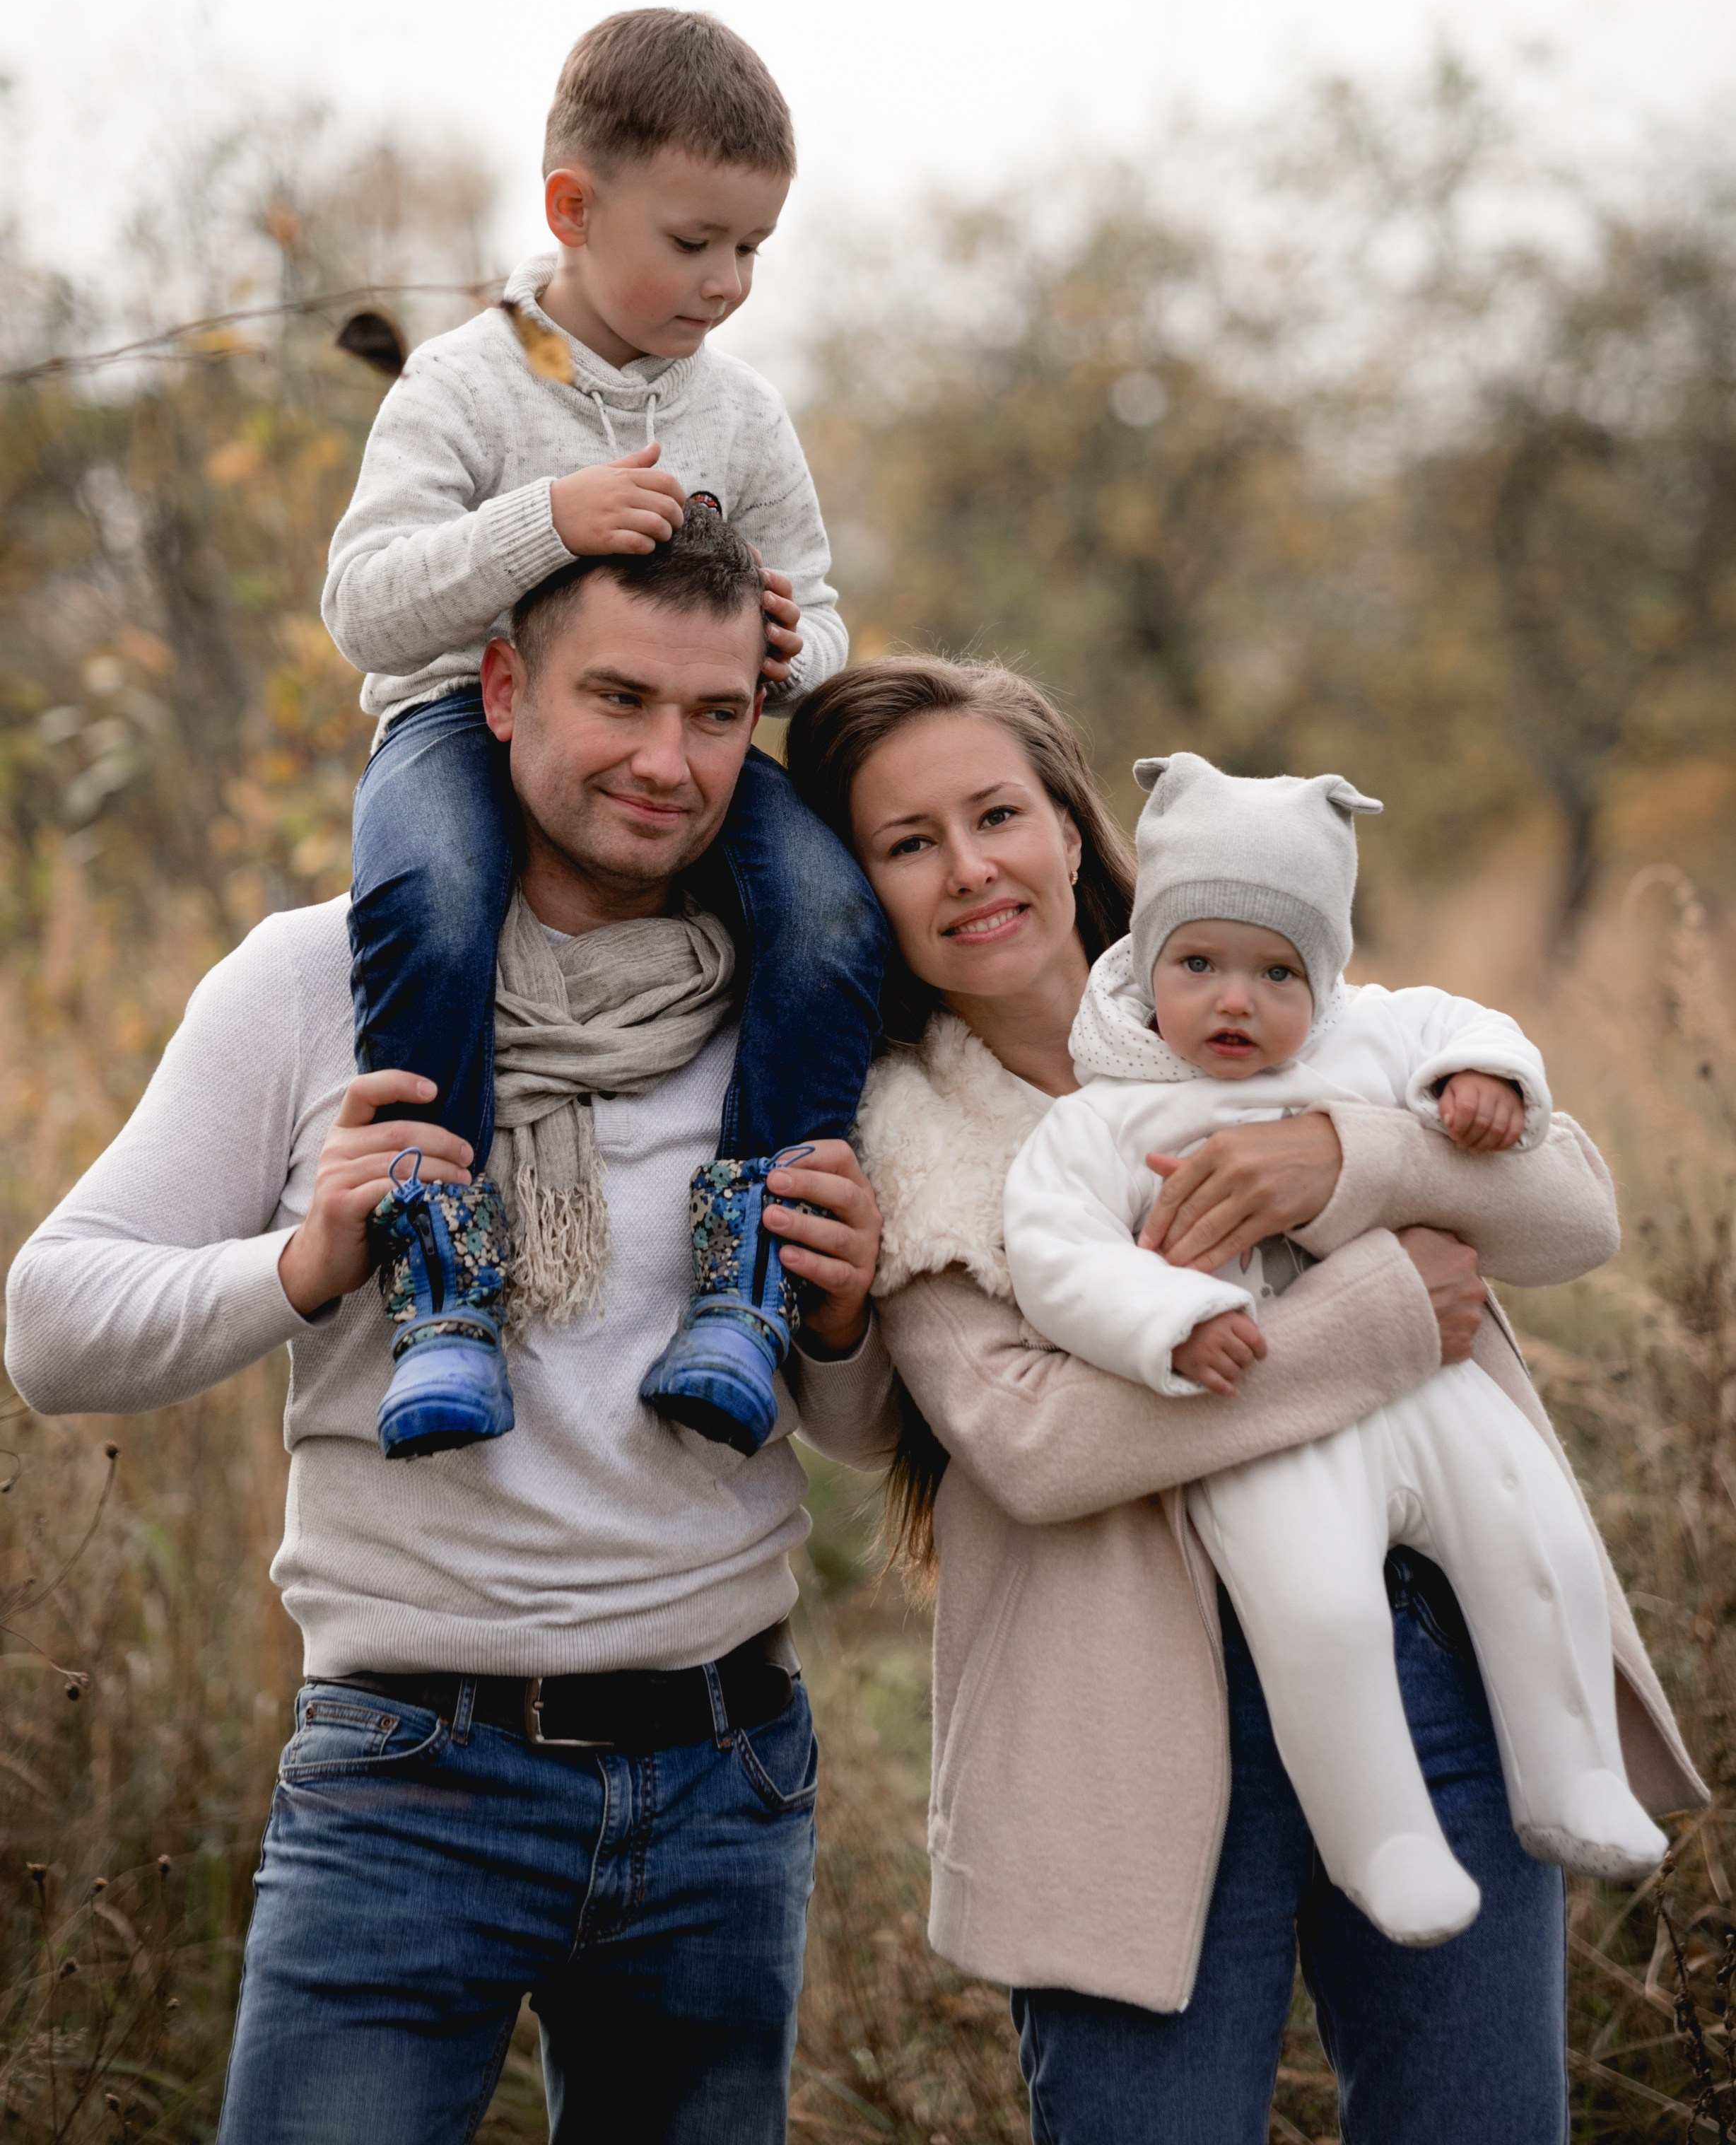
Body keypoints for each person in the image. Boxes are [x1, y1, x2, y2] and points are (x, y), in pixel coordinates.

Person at [6, 515, 898, 2145]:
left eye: (716, 715)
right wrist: (304, 1259)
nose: (669, 760)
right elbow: (52, 1325)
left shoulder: (801, 996)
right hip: (407, 1777)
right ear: (499, 688)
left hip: (724, 1775)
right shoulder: (313, 981)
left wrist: (835, 1324)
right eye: (617, 698)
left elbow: (851, 1436)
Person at [784, 655, 1706, 2145]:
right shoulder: (904, 1134)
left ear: (1071, 828)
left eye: (997, 813)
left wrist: (1349, 1160)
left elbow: (1572, 1212)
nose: (969, 870)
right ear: (858, 888)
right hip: (1114, 1728)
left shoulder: (1283, 996)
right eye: (906, 843)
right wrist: (1383, 1310)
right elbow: (1037, 1444)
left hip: (1432, 1669)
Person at [322, 6, 884, 1458]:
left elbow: (820, 615)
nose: (728, 281)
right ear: (573, 207)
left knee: (829, 911)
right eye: (695, 241)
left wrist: (781, 651)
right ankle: (442, 1279)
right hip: (457, 720)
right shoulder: (465, 384)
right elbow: (365, 609)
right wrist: (541, 526)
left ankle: (746, 1283)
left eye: (753, 248)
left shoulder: (742, 418)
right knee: (431, 897)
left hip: (679, 748)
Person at [1002, 749, 1667, 1953]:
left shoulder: (1371, 1042)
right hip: (1268, 1409)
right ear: (1149, 966)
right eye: (1198, 966)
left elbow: (1472, 1029)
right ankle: (1387, 1845)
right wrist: (1169, 1320)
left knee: (1540, 1538)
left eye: (1277, 972)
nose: (1237, 1003)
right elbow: (1053, 1252)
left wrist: (1485, 1083)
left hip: (1430, 1385)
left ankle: (1573, 1774)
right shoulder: (1105, 1114)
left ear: (1328, 974)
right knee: (1319, 1612)